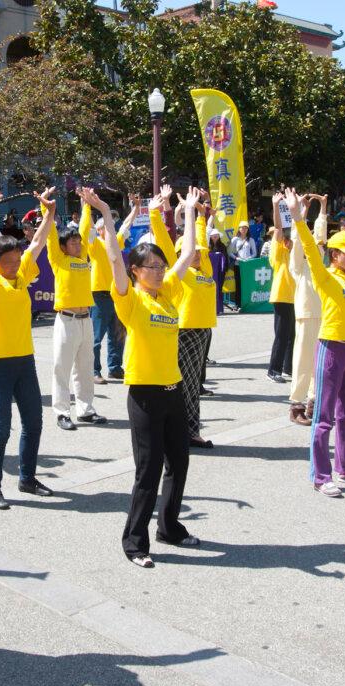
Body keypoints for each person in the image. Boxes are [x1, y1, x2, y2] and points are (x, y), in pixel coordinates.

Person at [92, 186, 201, 568]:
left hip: (174, 390)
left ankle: (169, 527)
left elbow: (187, 254)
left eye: (159, 265)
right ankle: (135, 542)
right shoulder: (130, 298)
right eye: (150, 267)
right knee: (148, 469)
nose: (158, 271)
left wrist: (187, 213)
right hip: (144, 395)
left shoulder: (167, 292)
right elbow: (113, 258)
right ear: (136, 271)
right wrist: (106, 212)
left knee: (180, 463)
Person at [0, 189, 57, 510]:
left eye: (16, 260)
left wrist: (49, 212)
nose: (13, 265)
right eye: (7, 262)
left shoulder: (21, 272)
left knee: (34, 422)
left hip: (24, 360)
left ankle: (27, 478)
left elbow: (38, 244)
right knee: (0, 428)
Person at [287, 188, 345, 499]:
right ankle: (320, 475)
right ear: (335, 255)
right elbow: (311, 249)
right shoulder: (326, 277)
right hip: (331, 350)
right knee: (323, 417)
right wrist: (299, 219)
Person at [148, 190, 216, 449]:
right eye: (192, 252)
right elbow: (166, 243)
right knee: (184, 385)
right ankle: (184, 432)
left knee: (192, 385)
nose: (197, 254)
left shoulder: (205, 269)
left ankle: (187, 431)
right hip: (185, 331)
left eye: (199, 251)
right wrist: (156, 213)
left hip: (202, 331)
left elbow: (200, 240)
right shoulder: (180, 272)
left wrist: (200, 214)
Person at [47, 190, 107, 430]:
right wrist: (47, 210)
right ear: (63, 247)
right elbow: (51, 237)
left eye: (78, 241)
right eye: (72, 242)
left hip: (85, 319)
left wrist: (86, 206)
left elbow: (84, 230)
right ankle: (62, 412)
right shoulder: (58, 259)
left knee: (84, 367)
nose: (78, 243)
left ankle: (85, 409)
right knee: (62, 368)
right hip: (67, 320)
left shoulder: (83, 258)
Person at [286, 193, 327, 426]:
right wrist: (300, 214)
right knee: (302, 361)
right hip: (306, 313)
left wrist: (322, 208)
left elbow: (319, 238)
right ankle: (297, 404)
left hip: (324, 315)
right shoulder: (299, 266)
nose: (318, 249)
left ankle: (314, 400)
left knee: (318, 363)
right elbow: (300, 239)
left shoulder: (322, 265)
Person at [87, 197, 130, 384]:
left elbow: (126, 226)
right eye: (107, 226)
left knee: (117, 334)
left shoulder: (116, 243)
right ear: (99, 230)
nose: (111, 229)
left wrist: (135, 208)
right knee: (96, 337)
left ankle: (115, 368)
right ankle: (94, 370)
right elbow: (87, 228)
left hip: (116, 294)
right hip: (100, 295)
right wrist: (86, 205)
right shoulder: (95, 244)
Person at [266, 224, 296, 383]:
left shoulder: (293, 255)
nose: (290, 242)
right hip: (281, 297)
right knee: (281, 335)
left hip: (293, 297)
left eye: (291, 240)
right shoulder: (278, 254)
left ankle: (288, 367)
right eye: (288, 240)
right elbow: (277, 230)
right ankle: (273, 369)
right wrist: (276, 206)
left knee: (292, 335)